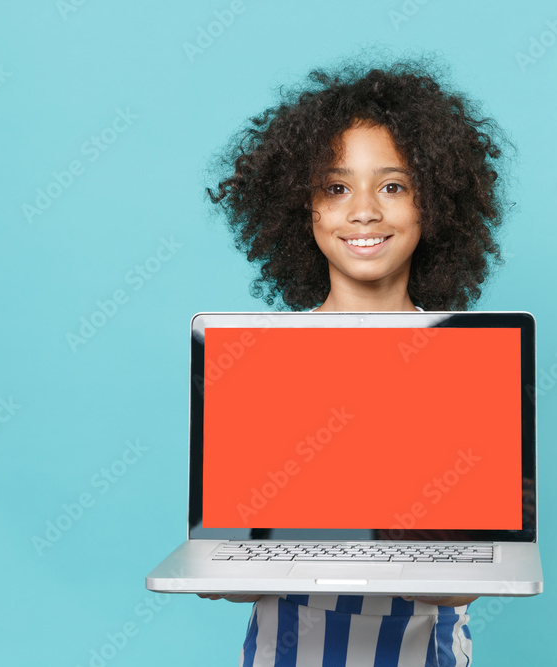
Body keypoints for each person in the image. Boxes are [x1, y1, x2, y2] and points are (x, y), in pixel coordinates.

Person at [202, 56, 512, 666]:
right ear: (302, 207)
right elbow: (235, 568)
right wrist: (231, 557)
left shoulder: (463, 366)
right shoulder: (262, 365)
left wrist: (376, 515)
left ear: (434, 204)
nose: (363, 210)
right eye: (336, 187)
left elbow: (463, 582)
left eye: (393, 186)